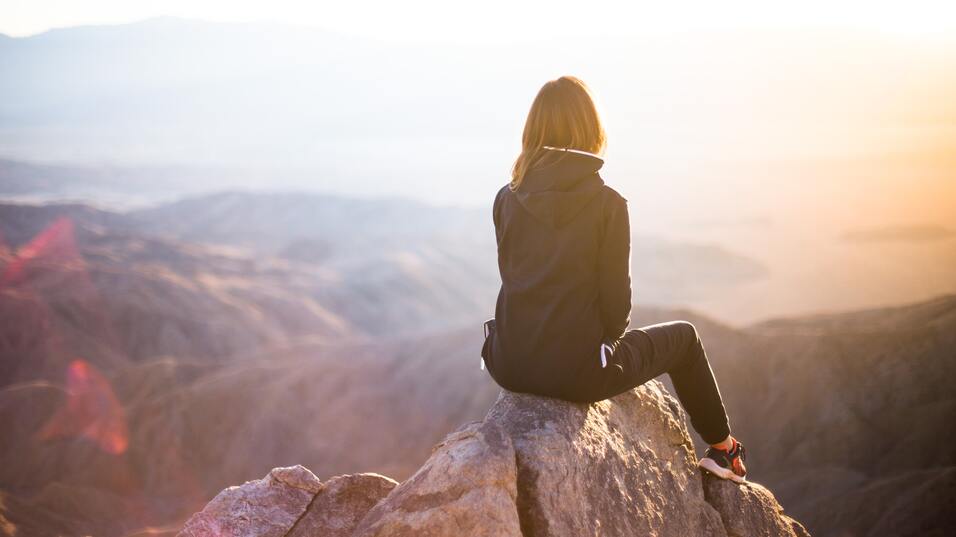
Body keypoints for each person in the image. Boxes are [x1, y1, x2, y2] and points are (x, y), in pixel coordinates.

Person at [480, 76, 747, 482]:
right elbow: (617, 308)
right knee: (686, 339)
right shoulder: (607, 205)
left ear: (532, 130)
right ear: (591, 129)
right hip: (578, 374)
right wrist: (601, 347)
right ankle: (724, 450)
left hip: (508, 362)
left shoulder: (506, 196)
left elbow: (514, 277)